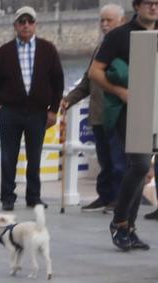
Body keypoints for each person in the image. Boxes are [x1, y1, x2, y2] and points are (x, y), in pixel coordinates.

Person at [0, 8, 64, 216]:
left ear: (35, 25)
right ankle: (7, 196)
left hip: (37, 112)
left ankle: (33, 196)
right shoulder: (4, 52)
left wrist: (53, 110)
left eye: (30, 21)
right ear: (15, 25)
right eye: (21, 22)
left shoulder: (48, 50)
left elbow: (57, 80)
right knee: (8, 156)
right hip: (10, 112)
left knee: (35, 155)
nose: (26, 25)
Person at [95, 0, 158, 248]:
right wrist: (120, 92)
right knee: (141, 163)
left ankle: (128, 227)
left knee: (141, 169)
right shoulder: (120, 36)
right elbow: (95, 72)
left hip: (155, 108)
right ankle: (120, 222)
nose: (153, 7)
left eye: (156, 3)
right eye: (148, 3)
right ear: (137, 6)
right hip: (129, 111)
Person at [64, 6, 126, 209]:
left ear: (122, 21)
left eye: (109, 20)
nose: (104, 24)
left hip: (117, 114)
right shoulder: (100, 48)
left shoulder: (126, 47)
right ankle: (106, 195)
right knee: (105, 161)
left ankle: (119, 199)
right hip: (98, 115)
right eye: (102, 20)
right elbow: (87, 81)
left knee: (118, 161)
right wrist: (68, 100)